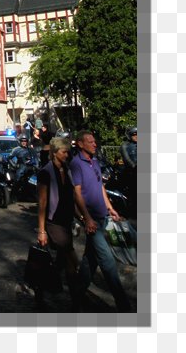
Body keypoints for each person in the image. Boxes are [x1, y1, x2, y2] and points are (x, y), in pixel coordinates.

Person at [70, 130, 132, 312]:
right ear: (80, 144)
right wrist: (86, 218)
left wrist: (110, 208)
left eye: (94, 141)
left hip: (102, 216)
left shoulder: (95, 162)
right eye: (90, 142)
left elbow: (100, 186)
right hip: (93, 222)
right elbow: (77, 192)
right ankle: (124, 306)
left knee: (90, 261)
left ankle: (76, 298)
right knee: (108, 263)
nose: (94, 144)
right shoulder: (76, 164)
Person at [36, 135, 78, 307]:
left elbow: (72, 195)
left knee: (59, 262)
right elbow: (42, 203)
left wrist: (80, 216)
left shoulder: (66, 169)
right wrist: (41, 230)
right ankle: (77, 299)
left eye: (68, 152)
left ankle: (41, 288)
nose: (67, 155)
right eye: (64, 152)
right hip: (53, 222)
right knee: (70, 258)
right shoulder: (46, 172)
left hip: (66, 219)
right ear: (54, 153)